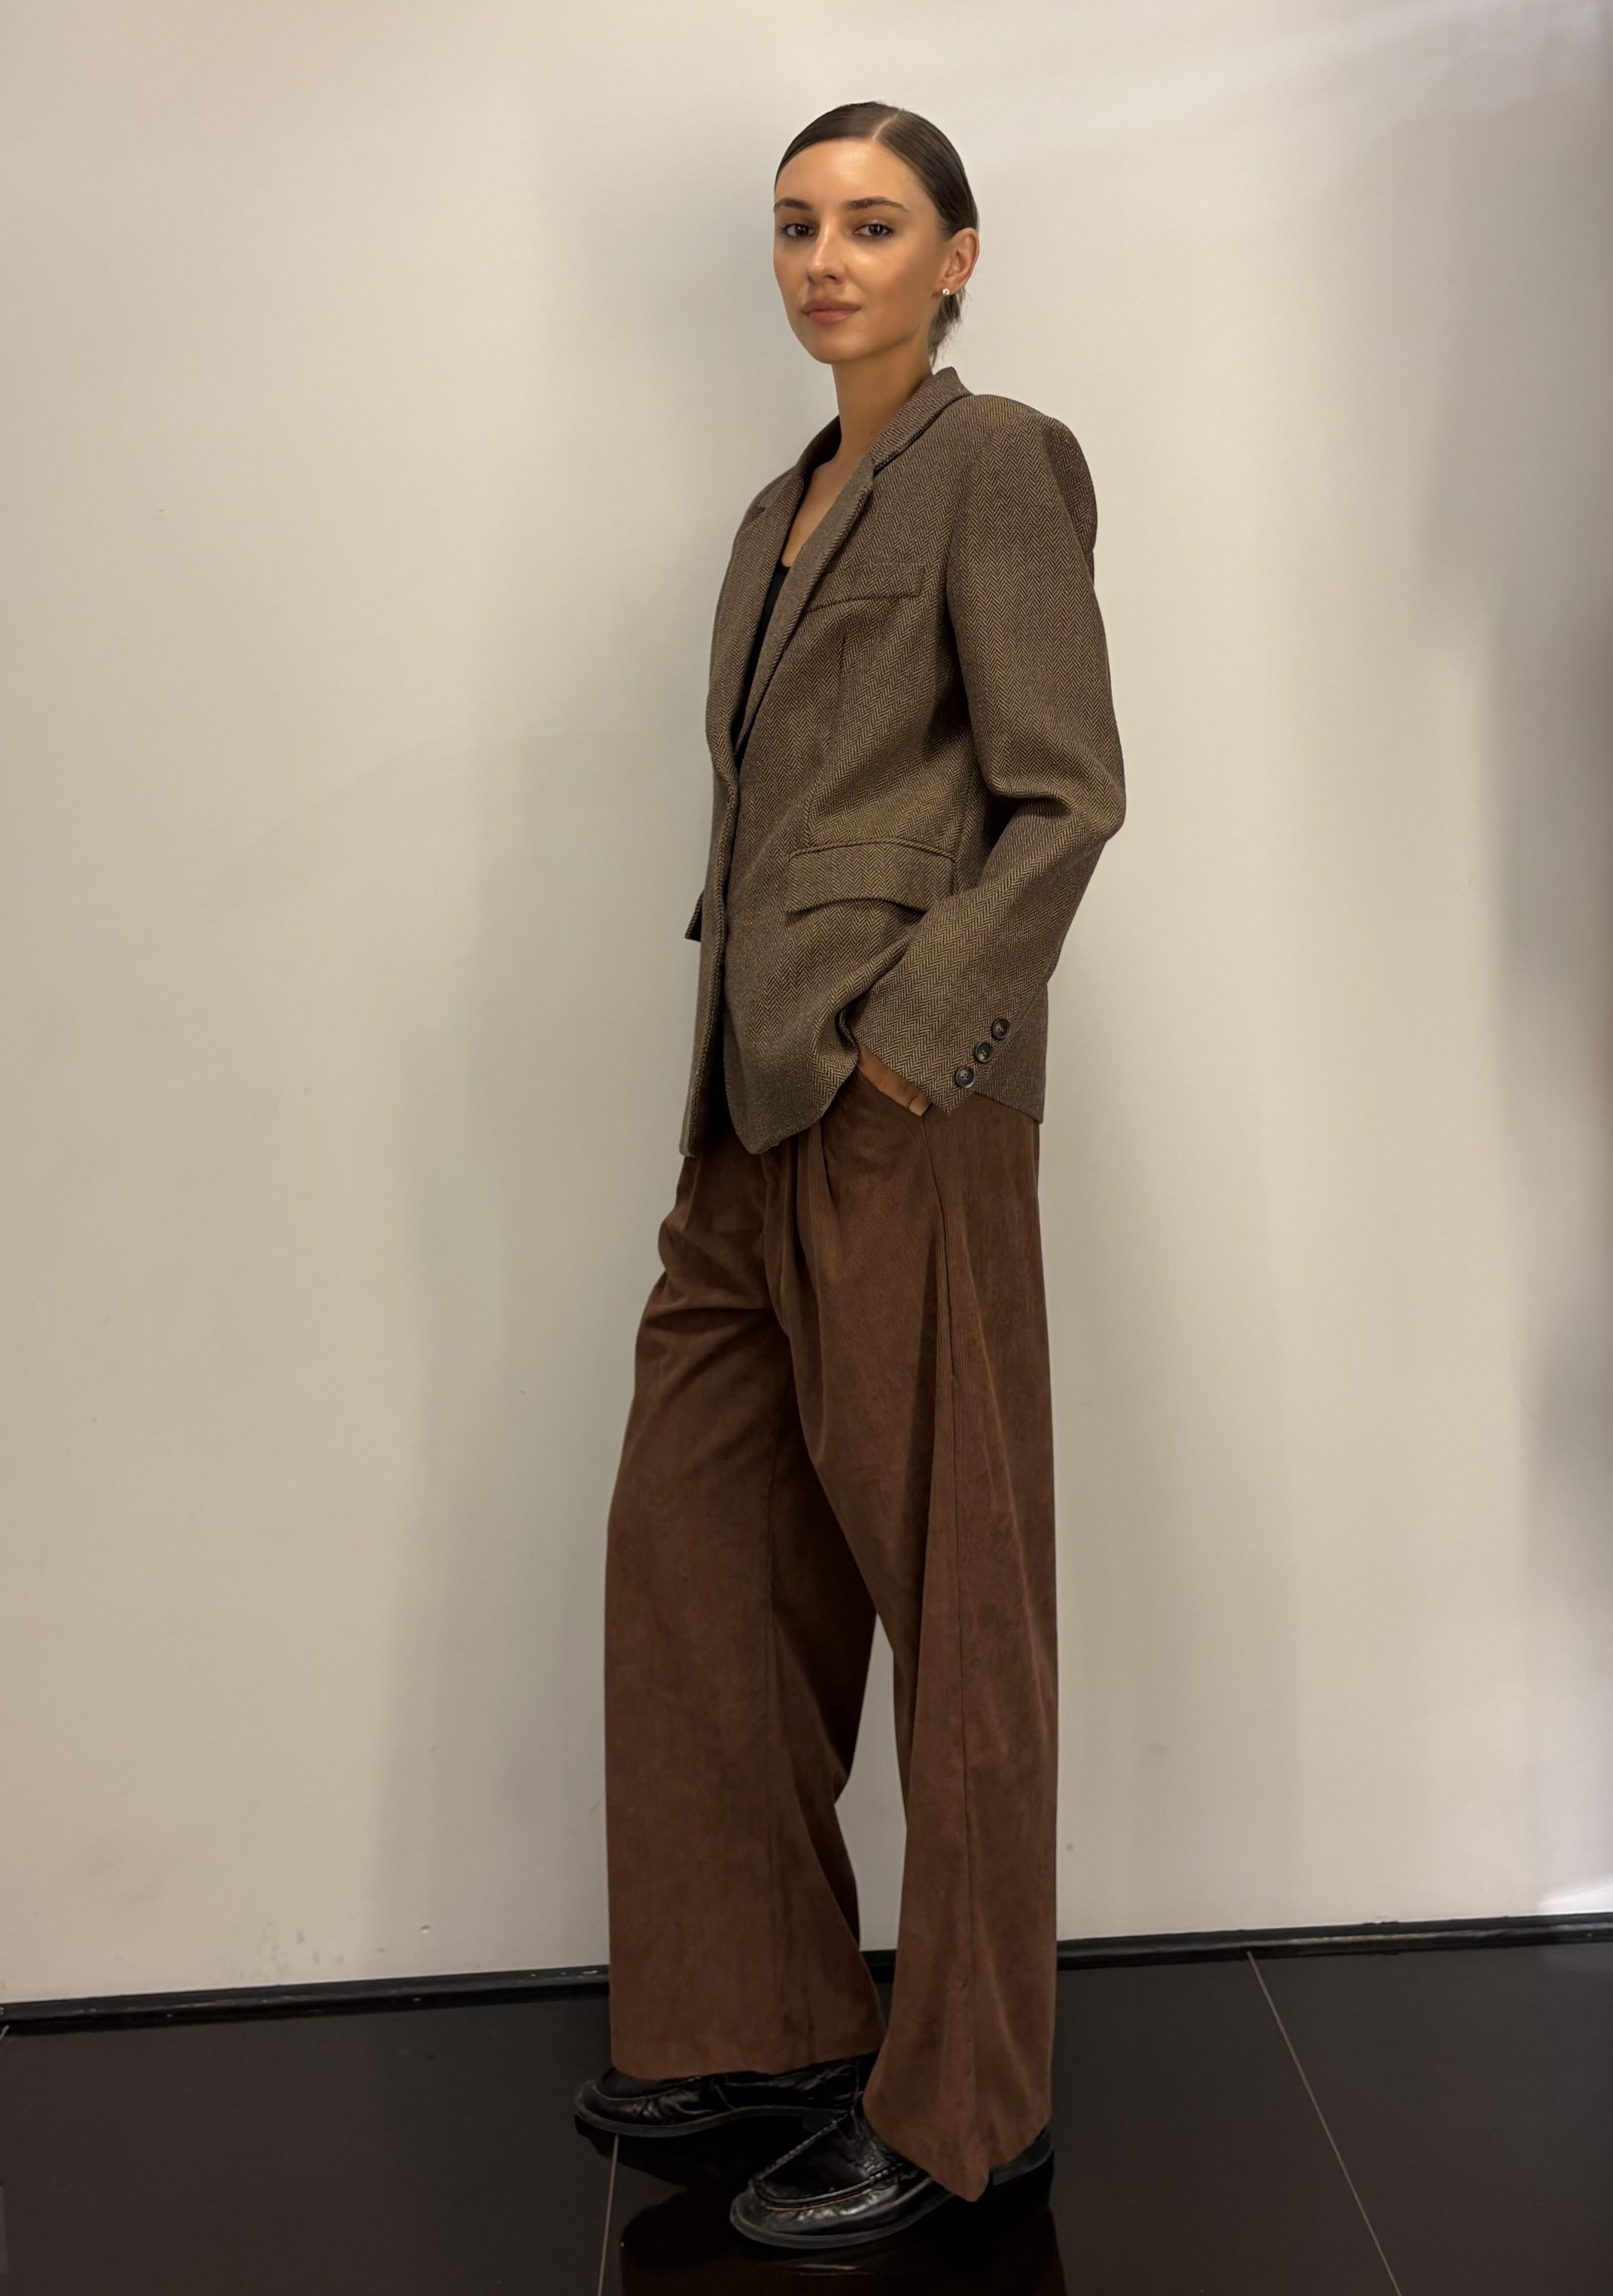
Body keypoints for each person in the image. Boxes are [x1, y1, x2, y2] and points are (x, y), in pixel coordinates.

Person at [574, 99, 1126, 2254]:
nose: (826, 258)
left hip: (902, 1107)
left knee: (958, 1607)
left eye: (874, 225)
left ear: (955, 259)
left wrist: (913, 1046)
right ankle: (763, 2015)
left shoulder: (1000, 462)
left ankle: (971, 2099)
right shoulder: (775, 507)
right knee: (695, 1565)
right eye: (798, 223)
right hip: (740, 1112)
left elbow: (1064, 796)